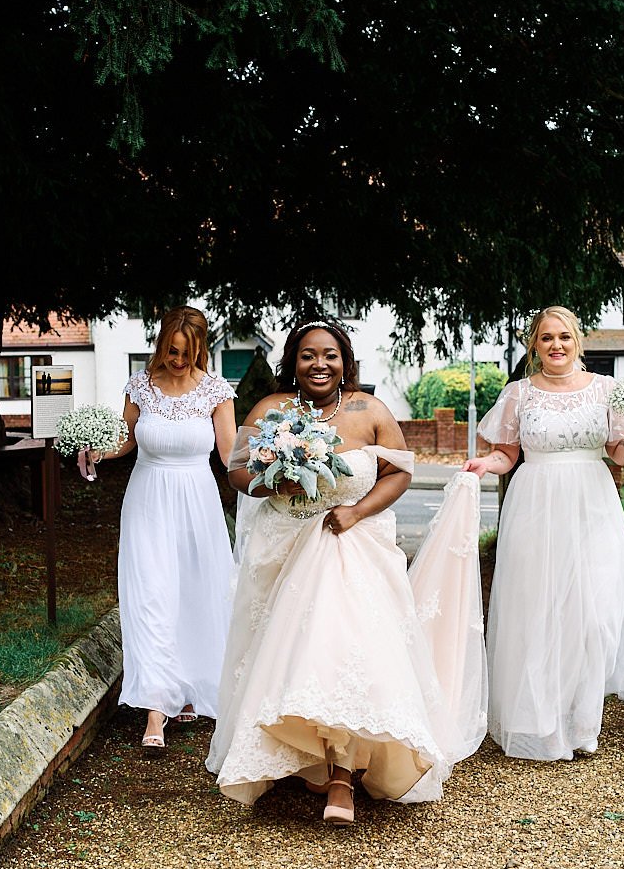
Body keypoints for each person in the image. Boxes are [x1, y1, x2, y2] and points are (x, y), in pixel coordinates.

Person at [207, 319, 485, 824]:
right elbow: (237, 469)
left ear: (345, 360)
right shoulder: (271, 410)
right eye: (309, 355)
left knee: (345, 649)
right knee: (283, 654)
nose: (320, 364)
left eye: (330, 355)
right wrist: (276, 485)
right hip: (283, 545)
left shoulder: (370, 410)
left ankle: (342, 774)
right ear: (293, 360)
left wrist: (357, 512)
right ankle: (294, 758)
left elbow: (400, 471)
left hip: (351, 543)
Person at [462, 305, 624, 760]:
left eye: (563, 336)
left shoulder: (607, 390)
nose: (556, 345)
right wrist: (486, 464)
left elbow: (620, 455)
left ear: (577, 340)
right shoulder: (519, 394)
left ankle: (584, 721)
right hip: (534, 507)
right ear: (535, 346)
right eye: (546, 338)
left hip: (593, 505)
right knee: (538, 610)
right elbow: (508, 454)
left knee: (595, 610)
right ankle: (540, 721)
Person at [93, 306, 236, 755]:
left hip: (197, 500)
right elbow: (126, 439)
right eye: (172, 351)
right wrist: (96, 449)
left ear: (201, 350)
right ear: (161, 346)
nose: (178, 360)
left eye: (187, 353)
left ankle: (191, 688)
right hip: (148, 498)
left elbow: (230, 454)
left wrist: (276, 470)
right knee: (151, 594)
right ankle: (157, 705)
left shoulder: (216, 391)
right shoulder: (140, 386)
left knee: (196, 592)